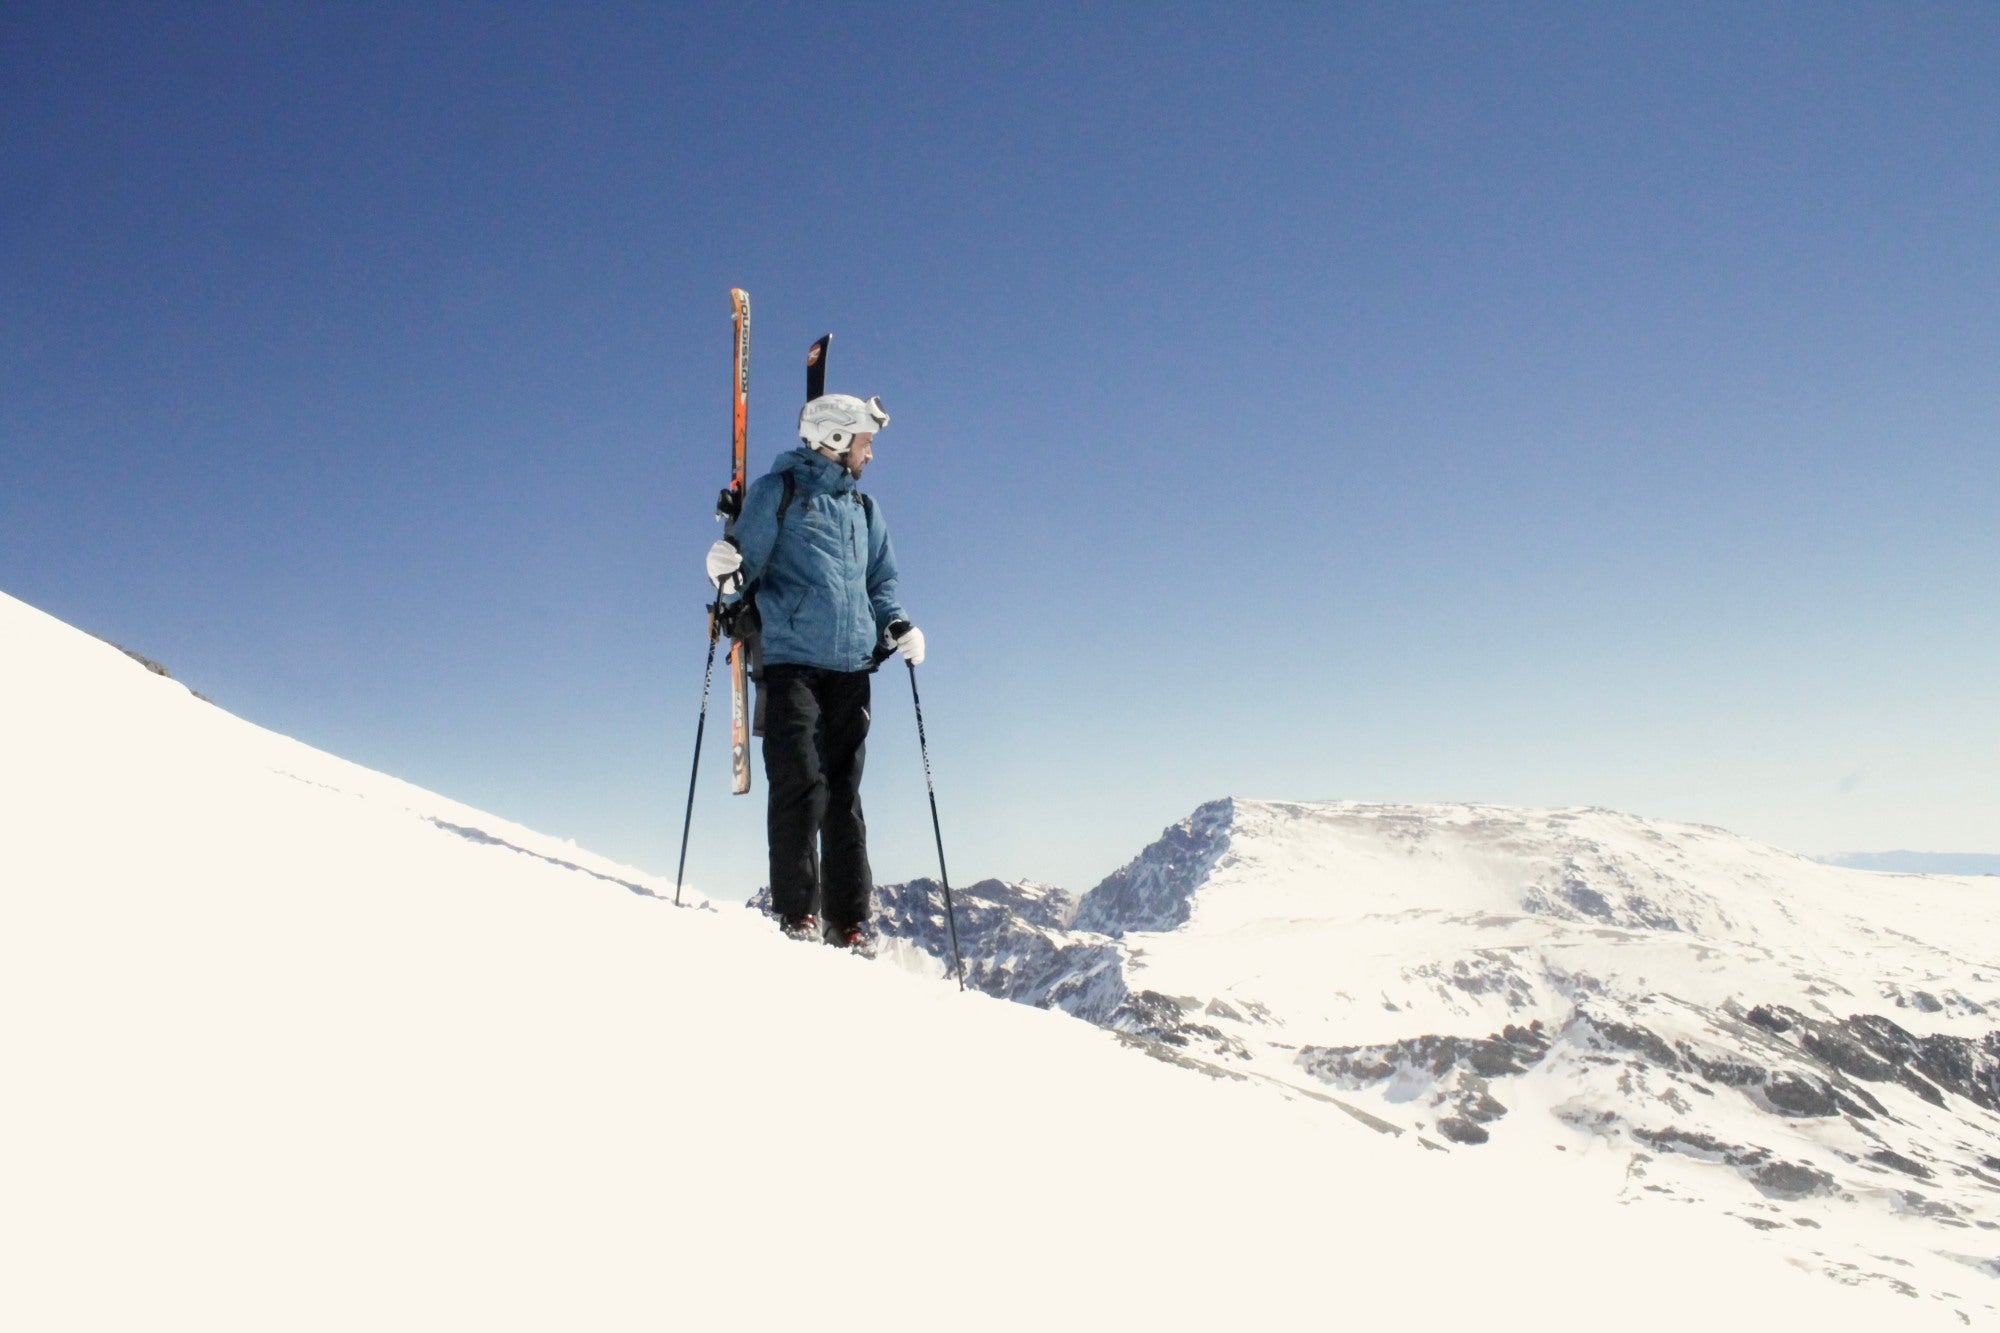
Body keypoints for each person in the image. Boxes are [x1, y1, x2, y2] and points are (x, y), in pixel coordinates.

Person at [704, 392, 924, 950]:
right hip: (791, 664)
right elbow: (742, 570)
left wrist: (896, 625)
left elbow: (882, 582)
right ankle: (798, 913)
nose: (870, 455)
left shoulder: (864, 510)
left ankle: (848, 923)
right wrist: (723, 573)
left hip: (852, 666)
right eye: (865, 442)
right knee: (801, 780)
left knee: (845, 793)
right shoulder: (777, 495)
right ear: (835, 438)